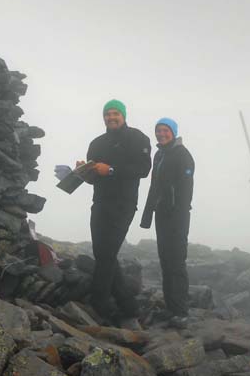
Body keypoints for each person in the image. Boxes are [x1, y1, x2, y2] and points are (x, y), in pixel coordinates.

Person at [78, 99, 151, 324]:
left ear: (123, 115)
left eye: (115, 114)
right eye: (107, 114)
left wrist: (110, 170)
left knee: (107, 253)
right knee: (103, 253)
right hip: (99, 202)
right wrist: (84, 172)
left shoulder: (138, 138)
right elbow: (93, 178)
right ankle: (129, 306)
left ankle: (98, 304)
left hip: (124, 204)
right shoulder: (97, 143)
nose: (111, 117)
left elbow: (143, 169)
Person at [140, 118, 195, 328]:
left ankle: (181, 312)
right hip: (161, 215)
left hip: (178, 217)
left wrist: (179, 215)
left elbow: (186, 190)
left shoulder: (183, 155)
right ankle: (170, 308)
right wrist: (147, 216)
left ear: (173, 132)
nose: (161, 134)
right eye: (158, 130)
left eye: (165, 130)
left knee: (177, 262)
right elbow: (154, 187)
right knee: (165, 261)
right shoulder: (159, 155)